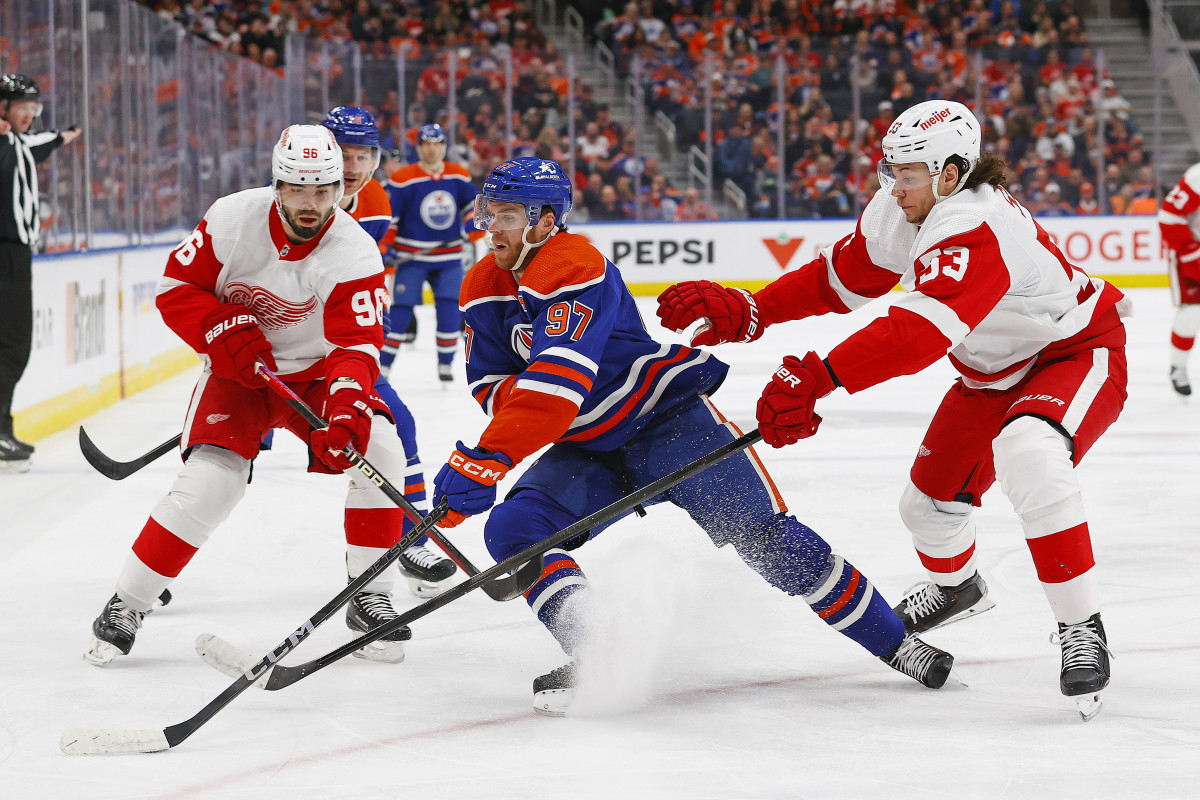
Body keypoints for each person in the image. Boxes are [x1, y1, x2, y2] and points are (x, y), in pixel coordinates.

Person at [430, 156, 955, 717]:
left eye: (508, 214)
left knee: (775, 545)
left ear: (544, 220)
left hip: (669, 423)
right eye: (491, 211)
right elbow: (490, 385)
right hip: (590, 446)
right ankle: (599, 649)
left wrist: (488, 458)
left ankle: (897, 643)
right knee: (516, 528)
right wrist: (496, 448)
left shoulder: (572, 264)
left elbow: (558, 383)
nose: (492, 225)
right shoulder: (481, 285)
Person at [656, 100, 1130, 718]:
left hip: (1073, 353)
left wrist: (821, 377)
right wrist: (755, 311)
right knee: (927, 509)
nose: (892, 184)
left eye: (907, 172)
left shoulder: (974, 223)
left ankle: (1081, 628)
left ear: (952, 173)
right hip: (988, 375)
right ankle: (959, 587)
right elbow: (843, 277)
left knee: (1030, 451)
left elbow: (918, 334)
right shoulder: (906, 204)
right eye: (891, 169)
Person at [85, 125, 417, 666]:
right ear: (276, 183)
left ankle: (369, 595)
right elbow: (176, 289)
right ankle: (126, 603)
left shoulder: (354, 252)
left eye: (324, 191)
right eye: (297, 190)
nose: (311, 205)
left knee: (380, 450)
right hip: (238, 376)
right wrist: (219, 327)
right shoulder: (232, 218)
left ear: (340, 188)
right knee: (212, 483)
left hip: (314, 375)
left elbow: (356, 348)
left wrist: (348, 408)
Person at [321, 105, 456, 596]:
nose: (353, 167)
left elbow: (350, 289)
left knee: (400, 425)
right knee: (221, 466)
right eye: (343, 154)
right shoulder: (284, 194)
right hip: (275, 350)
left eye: (363, 155)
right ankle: (154, 576)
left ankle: (409, 537)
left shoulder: (374, 203)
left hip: (335, 352)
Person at [0, 74, 80, 472]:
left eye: (34, 109)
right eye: (22, 108)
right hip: (4, 253)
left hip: (15, 255)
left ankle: (2, 428)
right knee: (12, 345)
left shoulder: (18, 142)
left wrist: (66, 134)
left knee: (12, 347)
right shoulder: (2, 143)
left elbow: (42, 142)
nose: (30, 115)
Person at [383, 123, 479, 383]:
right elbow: (390, 219)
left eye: (437, 143)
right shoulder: (403, 179)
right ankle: (384, 365)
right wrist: (385, 247)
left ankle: (446, 364)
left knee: (449, 310)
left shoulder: (458, 175)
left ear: (444, 147)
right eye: (427, 143)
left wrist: (472, 227)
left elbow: (473, 205)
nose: (432, 149)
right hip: (411, 257)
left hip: (448, 257)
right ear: (419, 147)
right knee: (400, 312)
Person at [1157, 162, 1200, 397]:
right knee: (1191, 313)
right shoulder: (1197, 177)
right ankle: (1178, 367)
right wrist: (1191, 253)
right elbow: (1169, 216)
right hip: (1192, 252)